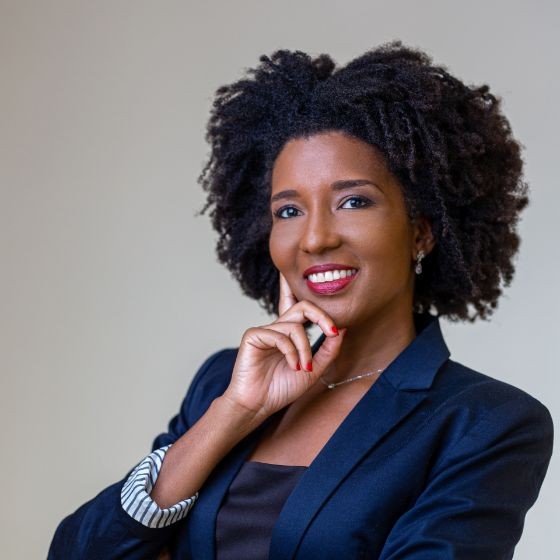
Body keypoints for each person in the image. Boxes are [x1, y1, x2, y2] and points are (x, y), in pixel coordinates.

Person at [48, 40, 554, 559]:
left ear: (421, 232)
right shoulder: (222, 383)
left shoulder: (485, 422)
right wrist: (233, 413)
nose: (314, 239)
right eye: (288, 211)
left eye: (353, 202)